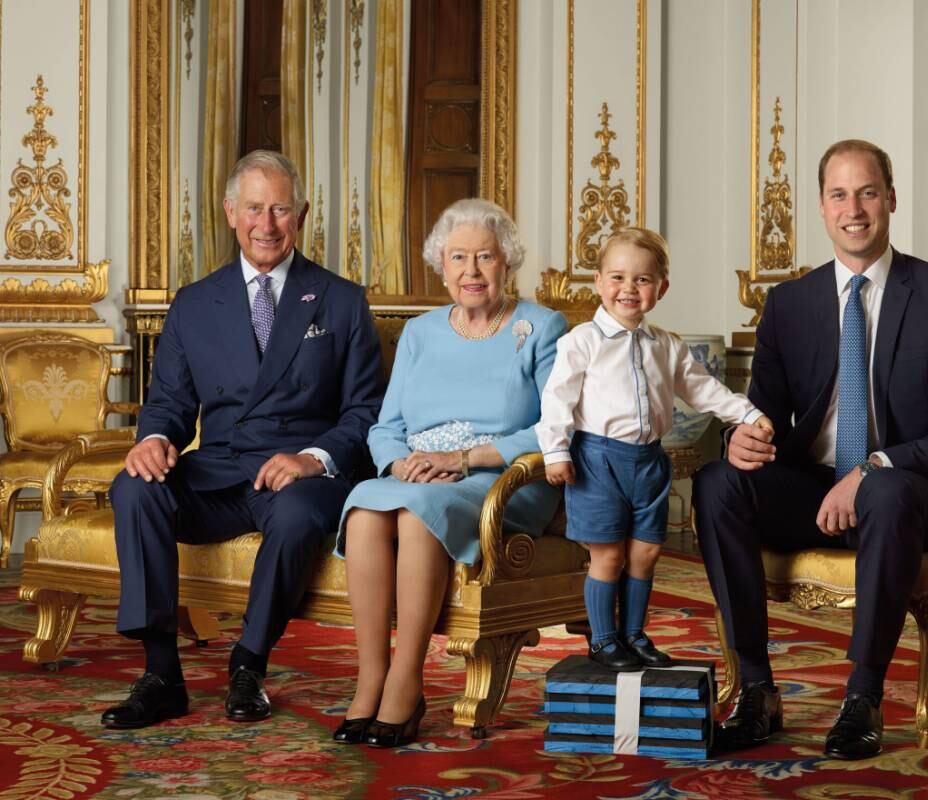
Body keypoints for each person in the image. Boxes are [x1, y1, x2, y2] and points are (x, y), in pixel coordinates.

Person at [693, 139, 928, 760]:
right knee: (718, 481)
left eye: (866, 192)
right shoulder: (790, 304)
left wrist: (875, 466)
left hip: (915, 495)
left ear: (889, 198)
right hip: (815, 489)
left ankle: (863, 697)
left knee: (882, 488)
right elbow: (765, 416)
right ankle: (755, 690)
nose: (853, 208)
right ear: (822, 209)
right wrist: (740, 438)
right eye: (838, 195)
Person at [101, 150, 384, 729]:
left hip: (301, 474)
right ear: (231, 212)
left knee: (301, 511)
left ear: (301, 215)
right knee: (135, 487)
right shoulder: (194, 303)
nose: (267, 224)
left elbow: (367, 412)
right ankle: (161, 674)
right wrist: (153, 438)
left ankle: (248, 665)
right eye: (255, 208)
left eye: (280, 209)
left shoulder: (343, 300)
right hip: (222, 469)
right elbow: (170, 405)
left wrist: (313, 458)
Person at [332, 198, 567, 748]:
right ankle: (371, 677)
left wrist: (464, 459)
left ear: (507, 262)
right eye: (458, 257)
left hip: (501, 481)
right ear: (441, 265)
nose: (471, 271)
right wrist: (400, 463)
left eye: (485, 256)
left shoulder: (540, 326)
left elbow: (556, 427)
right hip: (417, 475)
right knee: (366, 507)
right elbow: (384, 426)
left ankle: (407, 681)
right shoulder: (420, 332)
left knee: (418, 517)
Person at [536, 227, 772, 672]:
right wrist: (555, 452)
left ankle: (634, 633)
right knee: (607, 554)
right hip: (598, 460)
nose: (629, 289)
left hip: (649, 462)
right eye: (618, 278)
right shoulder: (581, 342)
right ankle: (603, 640)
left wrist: (745, 413)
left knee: (644, 552)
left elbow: (703, 390)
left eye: (642, 280)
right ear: (599, 283)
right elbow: (557, 400)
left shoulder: (666, 345)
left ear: (661, 288)